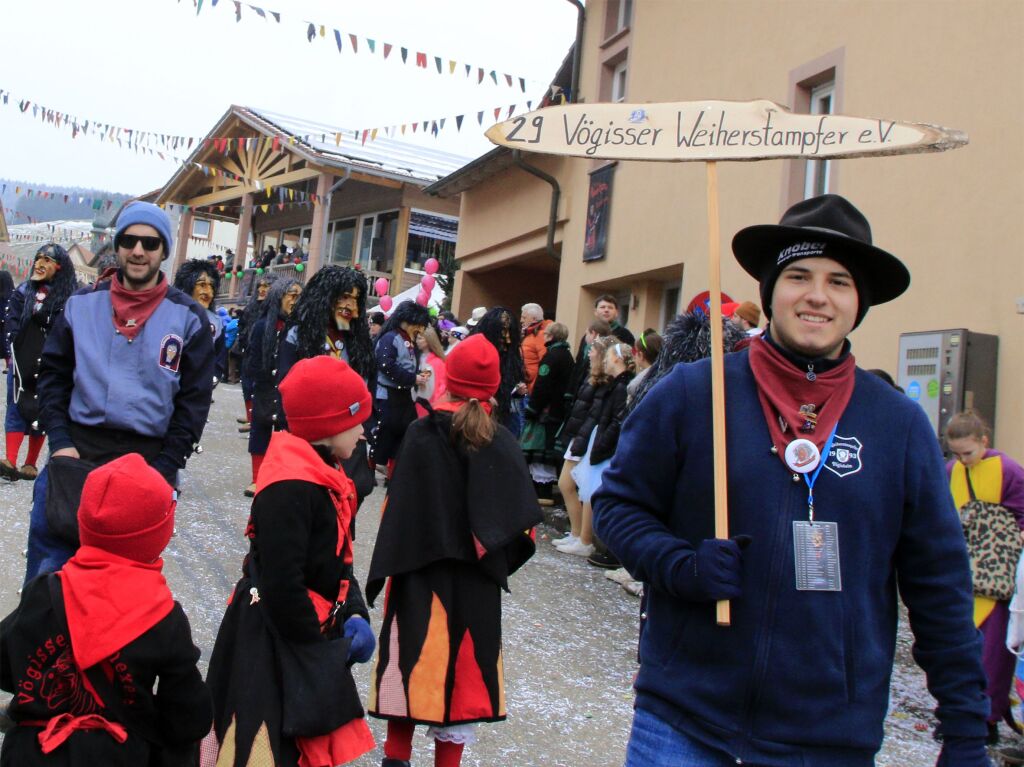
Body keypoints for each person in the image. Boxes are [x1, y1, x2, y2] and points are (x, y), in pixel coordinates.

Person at [593, 194, 991, 766]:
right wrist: (681, 565)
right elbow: (619, 507)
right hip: (684, 719)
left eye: (839, 282)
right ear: (770, 290)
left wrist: (965, 730)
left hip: (828, 738)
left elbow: (939, 584)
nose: (817, 295)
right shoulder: (694, 393)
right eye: (798, 275)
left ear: (860, 304)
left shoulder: (898, 425)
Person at [366, 334, 542, 767]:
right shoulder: (499, 440)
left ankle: (397, 757)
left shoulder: (421, 434)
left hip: (417, 573)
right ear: (493, 388)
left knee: (411, 663)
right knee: (462, 674)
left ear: (449, 380)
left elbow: (397, 507)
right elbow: (523, 527)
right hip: (475, 584)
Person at [207, 356, 377, 767]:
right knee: (266, 746)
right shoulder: (290, 487)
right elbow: (282, 585)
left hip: (305, 633)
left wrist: (353, 612)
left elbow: (338, 559)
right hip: (275, 642)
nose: (362, 431)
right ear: (328, 425)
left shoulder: (326, 472)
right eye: (356, 421)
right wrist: (320, 654)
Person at [32, 202, 215, 582]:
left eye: (150, 243)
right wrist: (61, 441)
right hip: (76, 456)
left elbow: (193, 404)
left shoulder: (189, 319)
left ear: (163, 251)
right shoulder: (80, 306)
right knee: (49, 581)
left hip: (146, 464)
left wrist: (164, 470)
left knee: (124, 590)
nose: (138, 251)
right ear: (117, 246)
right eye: (129, 241)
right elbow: (52, 376)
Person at [0, 453, 212, 765]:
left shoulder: (43, 592)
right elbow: (189, 718)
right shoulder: (163, 618)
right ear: (157, 535)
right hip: (118, 755)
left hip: (34, 753)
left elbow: (6, 666)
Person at [946, 410, 1024, 744]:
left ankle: (988, 717)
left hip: (996, 577)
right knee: (960, 649)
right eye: (956, 453)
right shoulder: (950, 471)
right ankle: (961, 713)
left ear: (984, 442)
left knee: (993, 653)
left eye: (969, 452)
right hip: (962, 575)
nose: (963, 460)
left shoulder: (1008, 470)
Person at [278, 265, 377, 507]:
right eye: (344, 297)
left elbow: (368, 389)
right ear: (326, 297)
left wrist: (366, 425)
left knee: (352, 494)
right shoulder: (299, 335)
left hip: (350, 438)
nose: (350, 306)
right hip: (311, 440)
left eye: (355, 299)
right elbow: (285, 387)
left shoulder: (359, 342)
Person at [2, 244, 78, 481]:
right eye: (38, 258)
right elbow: (12, 320)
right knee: (15, 406)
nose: (40, 264)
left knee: (42, 410)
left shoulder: (68, 297)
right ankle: (10, 460)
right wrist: (14, 343)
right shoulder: (23, 291)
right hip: (22, 359)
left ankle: (30, 463)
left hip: (50, 362)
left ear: (59, 266)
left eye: (47, 259)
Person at [567, 340, 635, 564]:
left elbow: (616, 419)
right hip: (598, 438)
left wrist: (602, 443)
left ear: (616, 358)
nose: (604, 360)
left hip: (604, 443)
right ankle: (583, 537)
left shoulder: (621, 386)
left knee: (591, 492)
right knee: (586, 491)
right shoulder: (616, 384)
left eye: (607, 357)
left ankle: (587, 539)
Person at [553, 335, 615, 557]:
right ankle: (577, 533)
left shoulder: (603, 382)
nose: (589, 353)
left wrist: (581, 439)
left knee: (574, 486)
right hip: (579, 435)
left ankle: (584, 538)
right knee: (568, 485)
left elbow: (593, 415)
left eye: (593, 351)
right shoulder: (592, 377)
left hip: (586, 438)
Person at [243, 279, 302, 497]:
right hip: (266, 387)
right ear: (279, 297)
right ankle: (257, 478)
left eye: (299, 296)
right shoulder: (262, 326)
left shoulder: (302, 329)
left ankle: (282, 475)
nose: (295, 301)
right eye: (291, 295)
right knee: (261, 429)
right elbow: (254, 359)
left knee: (288, 433)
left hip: (292, 389)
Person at [373, 301, 431, 474]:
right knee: (386, 430)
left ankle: (395, 465)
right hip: (388, 394)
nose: (420, 330)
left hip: (403, 394)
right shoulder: (390, 338)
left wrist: (417, 375)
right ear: (407, 321)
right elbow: (386, 364)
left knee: (405, 429)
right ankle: (377, 462)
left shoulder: (406, 339)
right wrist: (413, 378)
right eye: (418, 325)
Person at [521, 321, 573, 504]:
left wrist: (532, 408)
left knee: (540, 450)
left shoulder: (551, 357)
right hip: (558, 411)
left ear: (550, 336)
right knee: (549, 451)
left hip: (546, 412)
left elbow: (543, 385)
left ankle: (542, 493)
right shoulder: (567, 355)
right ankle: (545, 491)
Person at [469, 307, 526, 437]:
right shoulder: (476, 349)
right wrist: (483, 395)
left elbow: (513, 382)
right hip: (477, 412)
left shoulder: (512, 355)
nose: (506, 338)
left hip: (504, 414)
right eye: (502, 332)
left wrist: (517, 392)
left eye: (508, 332)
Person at [233, 272, 277, 432]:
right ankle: (250, 415)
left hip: (263, 354)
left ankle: (255, 418)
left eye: (266, 286)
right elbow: (243, 324)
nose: (262, 289)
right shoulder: (253, 305)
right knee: (246, 385)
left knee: (256, 386)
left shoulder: (273, 309)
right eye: (260, 286)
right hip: (248, 351)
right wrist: (244, 341)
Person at [173, 259, 225, 386]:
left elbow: (220, 356)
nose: (208, 291)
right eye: (202, 285)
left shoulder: (216, 323)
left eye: (212, 286)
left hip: (198, 388)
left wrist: (213, 378)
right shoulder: (171, 314)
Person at [414, 326, 447, 417]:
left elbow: (440, 387)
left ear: (429, 340)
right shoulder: (417, 358)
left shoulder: (437, 362)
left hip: (429, 405)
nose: (417, 341)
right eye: (417, 338)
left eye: (420, 338)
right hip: (418, 402)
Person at [519, 302, 552, 392]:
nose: (521, 320)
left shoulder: (541, 335)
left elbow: (545, 364)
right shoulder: (531, 334)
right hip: (527, 387)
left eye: (524, 317)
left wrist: (533, 390)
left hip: (533, 390)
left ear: (534, 319)